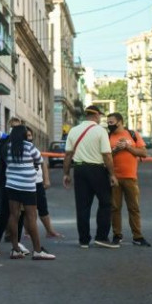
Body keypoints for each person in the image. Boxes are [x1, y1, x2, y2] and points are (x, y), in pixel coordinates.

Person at [63, 105, 119, 248]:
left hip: (80, 169)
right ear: (96, 116)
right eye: (100, 116)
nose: (100, 118)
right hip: (97, 170)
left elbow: (68, 154)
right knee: (106, 202)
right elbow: (107, 155)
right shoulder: (100, 131)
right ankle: (101, 237)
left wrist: (66, 174)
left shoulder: (74, 130)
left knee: (82, 206)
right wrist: (112, 174)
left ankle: (84, 240)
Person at [2, 126, 55, 260]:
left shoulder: (6, 147)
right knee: (31, 216)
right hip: (28, 186)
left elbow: (6, 162)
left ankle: (15, 249)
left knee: (14, 215)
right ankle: (37, 251)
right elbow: (39, 161)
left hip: (12, 185)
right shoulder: (30, 147)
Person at [0, 117, 29, 257]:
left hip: (22, 183)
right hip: (6, 182)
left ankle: (16, 242)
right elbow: (4, 155)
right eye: (13, 126)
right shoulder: (3, 142)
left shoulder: (26, 144)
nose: (15, 129)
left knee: (20, 213)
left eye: (18, 127)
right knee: (5, 212)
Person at [107, 112, 150, 246]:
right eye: (108, 123)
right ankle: (117, 235)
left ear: (119, 122)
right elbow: (104, 156)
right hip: (114, 178)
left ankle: (137, 237)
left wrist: (127, 147)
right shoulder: (107, 136)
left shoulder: (132, 135)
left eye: (111, 122)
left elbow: (143, 153)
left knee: (134, 208)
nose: (109, 125)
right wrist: (115, 150)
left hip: (131, 178)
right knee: (115, 208)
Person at [25, 126, 62, 239]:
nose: (29, 138)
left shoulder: (34, 150)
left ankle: (49, 231)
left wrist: (46, 179)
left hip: (38, 182)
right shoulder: (18, 149)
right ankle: (28, 232)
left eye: (30, 135)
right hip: (26, 184)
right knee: (28, 210)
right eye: (26, 136)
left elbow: (43, 164)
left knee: (43, 208)